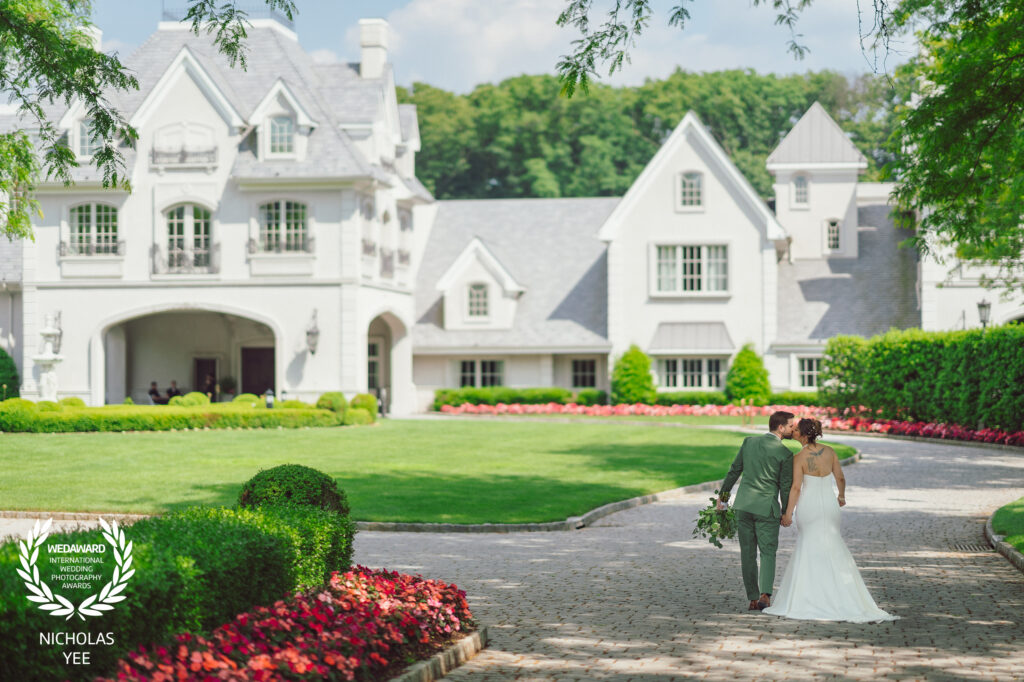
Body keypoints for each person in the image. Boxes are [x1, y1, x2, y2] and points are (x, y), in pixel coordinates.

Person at [763, 418, 898, 623]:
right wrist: (841, 496)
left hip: (809, 506)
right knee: (833, 544)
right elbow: (840, 477)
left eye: (797, 429)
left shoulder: (799, 458)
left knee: (809, 545)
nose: (794, 431)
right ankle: (843, 595)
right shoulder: (830, 452)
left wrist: (788, 513)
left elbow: (797, 488)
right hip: (830, 505)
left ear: (805, 434)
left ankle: (810, 596)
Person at [717, 410, 798, 612]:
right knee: (768, 552)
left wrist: (723, 499)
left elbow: (734, 471)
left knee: (747, 554)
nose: (792, 429)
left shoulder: (749, 442)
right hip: (766, 508)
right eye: (790, 426)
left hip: (743, 506)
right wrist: (787, 513)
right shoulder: (785, 454)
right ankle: (765, 594)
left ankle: (752, 599)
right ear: (780, 427)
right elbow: (785, 486)